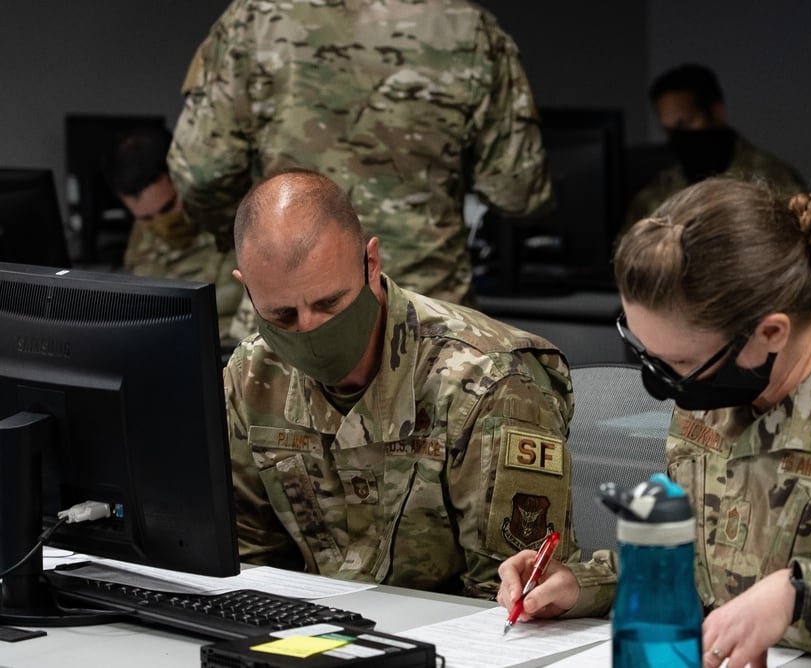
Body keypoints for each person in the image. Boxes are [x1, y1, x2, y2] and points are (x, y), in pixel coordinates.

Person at [497, 177, 811, 667]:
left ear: (770, 332)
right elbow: (703, 559)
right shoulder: (726, 380)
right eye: (647, 354)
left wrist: (801, 597)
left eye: (681, 365)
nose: (662, 384)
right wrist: (582, 583)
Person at [226, 169, 577, 599]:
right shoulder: (253, 373)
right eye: (282, 315)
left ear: (371, 264)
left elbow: (508, 591)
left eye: (329, 303)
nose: (310, 332)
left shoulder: (488, 380)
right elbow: (247, 563)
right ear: (247, 289)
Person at [168, 0, 554, 336]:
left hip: (292, 323)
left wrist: (257, 244)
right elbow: (518, 190)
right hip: (426, 321)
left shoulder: (252, 20)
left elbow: (202, 173)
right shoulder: (469, 29)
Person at [102, 126, 243, 340]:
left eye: (168, 208)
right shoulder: (142, 236)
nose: (161, 223)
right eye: (146, 218)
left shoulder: (240, 210)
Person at [625, 63, 807, 226]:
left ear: (716, 112)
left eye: (685, 123)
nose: (678, 138)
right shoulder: (660, 189)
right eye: (668, 130)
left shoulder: (772, 182)